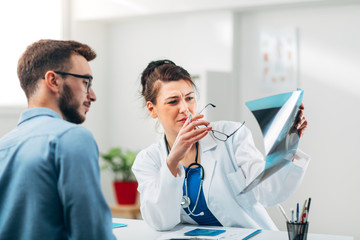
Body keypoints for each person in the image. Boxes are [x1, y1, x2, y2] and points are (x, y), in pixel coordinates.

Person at [132, 59, 310, 231]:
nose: (185, 109)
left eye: (189, 98)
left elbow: (269, 192)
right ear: (152, 109)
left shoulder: (230, 136)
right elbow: (161, 222)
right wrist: (172, 161)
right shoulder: (148, 160)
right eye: (173, 101)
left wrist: (286, 146)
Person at [0, 40, 115, 240]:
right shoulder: (72, 138)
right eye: (85, 82)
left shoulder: (4, 146)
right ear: (53, 81)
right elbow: (92, 234)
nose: (93, 95)